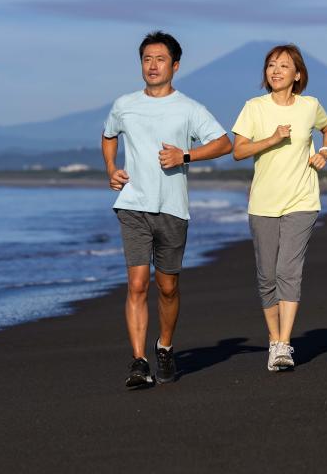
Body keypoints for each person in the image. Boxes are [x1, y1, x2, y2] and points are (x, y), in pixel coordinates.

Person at [102, 31, 233, 389]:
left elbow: (224, 143)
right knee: (138, 284)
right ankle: (139, 361)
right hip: (132, 205)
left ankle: (164, 346)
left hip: (173, 209)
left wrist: (185, 155)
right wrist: (112, 168)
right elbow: (109, 134)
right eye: (147, 59)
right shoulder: (124, 104)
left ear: (174, 65)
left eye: (160, 59)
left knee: (168, 287)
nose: (152, 65)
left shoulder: (189, 108)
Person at [231, 44, 327, 372]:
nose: (275, 71)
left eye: (283, 66)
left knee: (287, 272)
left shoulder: (310, 106)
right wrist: (272, 140)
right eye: (271, 65)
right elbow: (238, 151)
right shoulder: (254, 108)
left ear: (298, 74)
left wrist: (325, 151)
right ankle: (273, 337)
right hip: (263, 203)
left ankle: (283, 345)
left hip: (302, 201)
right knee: (266, 276)